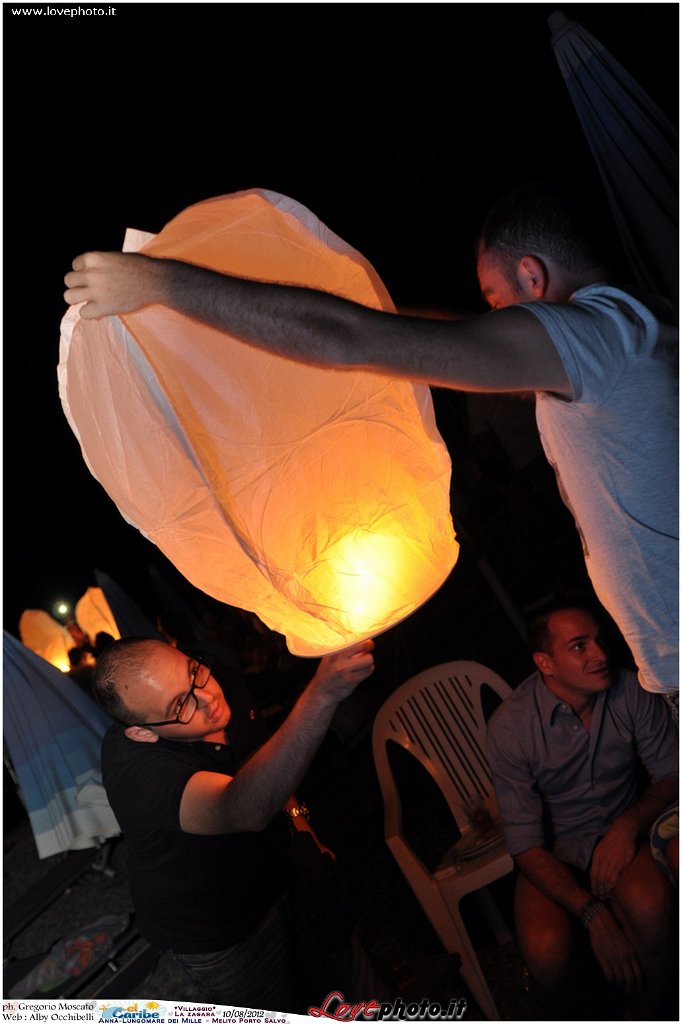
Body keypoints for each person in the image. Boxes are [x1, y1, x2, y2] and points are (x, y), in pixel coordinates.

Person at [63, 180, 678, 697]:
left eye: (498, 303)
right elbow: (452, 336)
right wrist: (376, 316)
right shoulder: (633, 327)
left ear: (531, 276)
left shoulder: (591, 337)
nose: (493, 321)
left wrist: (161, 285)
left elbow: (351, 339)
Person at [92, 635, 380, 1011]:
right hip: (222, 931)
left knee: (356, 992)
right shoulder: (137, 772)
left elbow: (265, 760)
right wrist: (321, 696)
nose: (208, 698)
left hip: (285, 871)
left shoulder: (217, 673)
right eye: (181, 704)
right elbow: (241, 807)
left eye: (193, 673)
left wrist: (303, 829)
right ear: (143, 732)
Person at [486, 602, 678, 1018]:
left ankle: (653, 1012)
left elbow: (672, 773)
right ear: (546, 663)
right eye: (579, 646)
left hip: (619, 831)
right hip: (554, 852)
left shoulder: (630, 690)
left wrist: (628, 826)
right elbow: (524, 843)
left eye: (598, 640)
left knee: (648, 907)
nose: (600, 654)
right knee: (545, 952)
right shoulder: (510, 727)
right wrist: (595, 916)